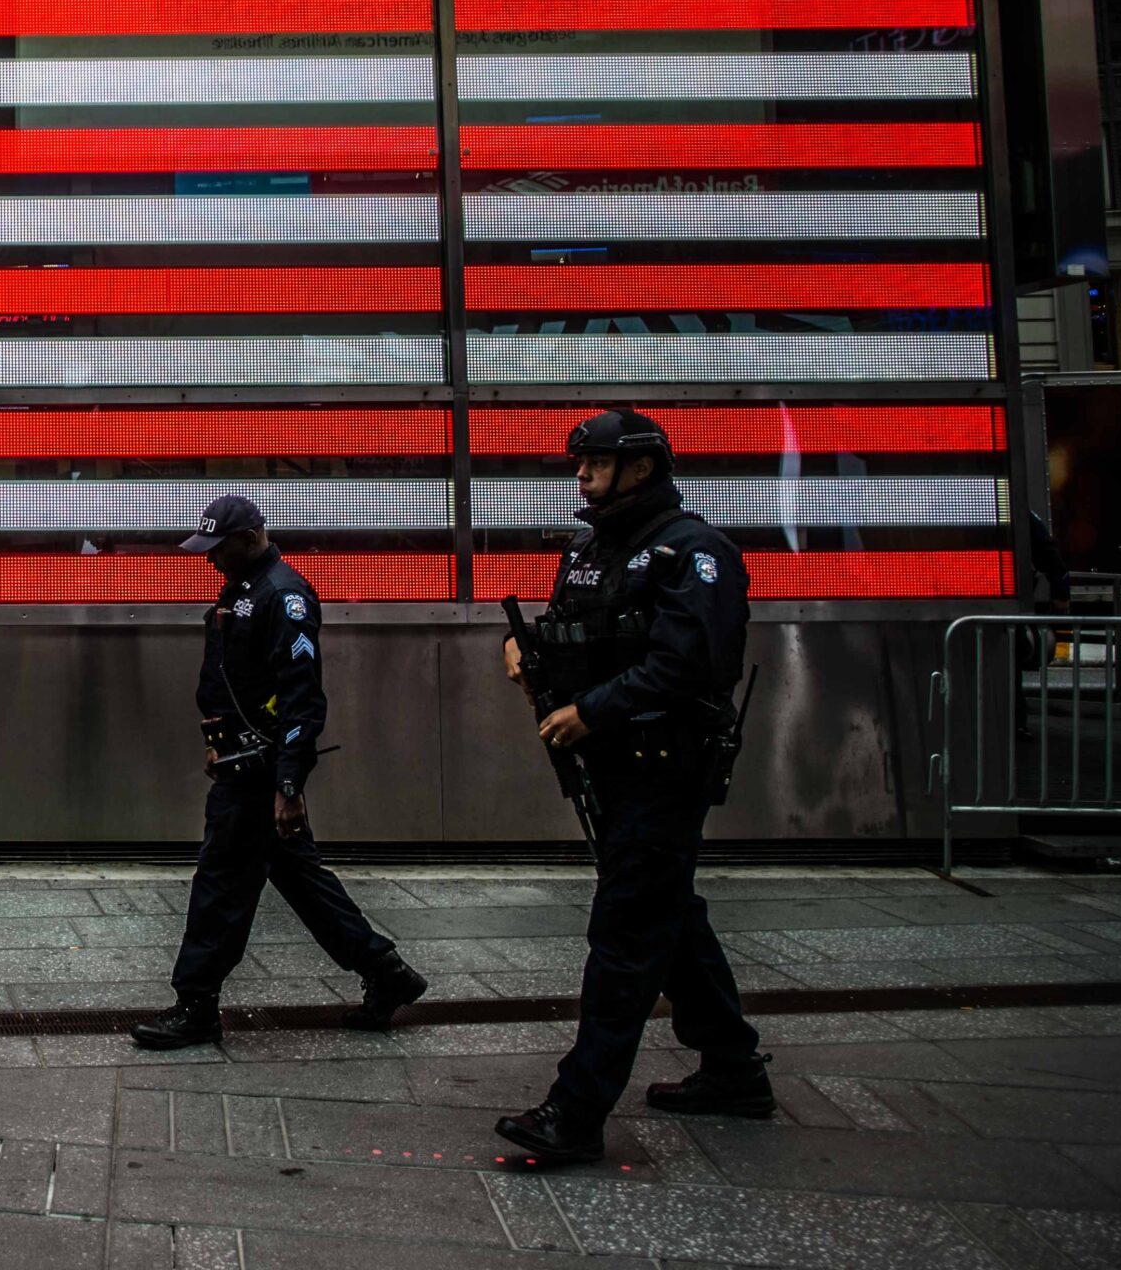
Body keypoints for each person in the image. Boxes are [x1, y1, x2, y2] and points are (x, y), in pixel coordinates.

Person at [494, 410, 773, 1165]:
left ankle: (576, 1112)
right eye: (578, 462)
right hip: (611, 766)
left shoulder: (696, 552)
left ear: (642, 467)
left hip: (664, 765)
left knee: (625, 932)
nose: (580, 475)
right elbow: (565, 630)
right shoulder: (591, 549)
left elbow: (687, 666)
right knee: (668, 913)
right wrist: (522, 646)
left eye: (595, 463)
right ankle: (734, 1069)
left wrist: (592, 710)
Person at [132, 494, 428, 1049]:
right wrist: (216, 739)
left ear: (251, 538)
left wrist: (288, 785)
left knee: (221, 882)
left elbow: (301, 700)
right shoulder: (243, 587)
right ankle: (388, 973)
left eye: (220, 549)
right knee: (301, 878)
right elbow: (233, 682)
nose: (211, 560)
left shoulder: (284, 596)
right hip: (241, 759)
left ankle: (196, 1005)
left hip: (260, 772)